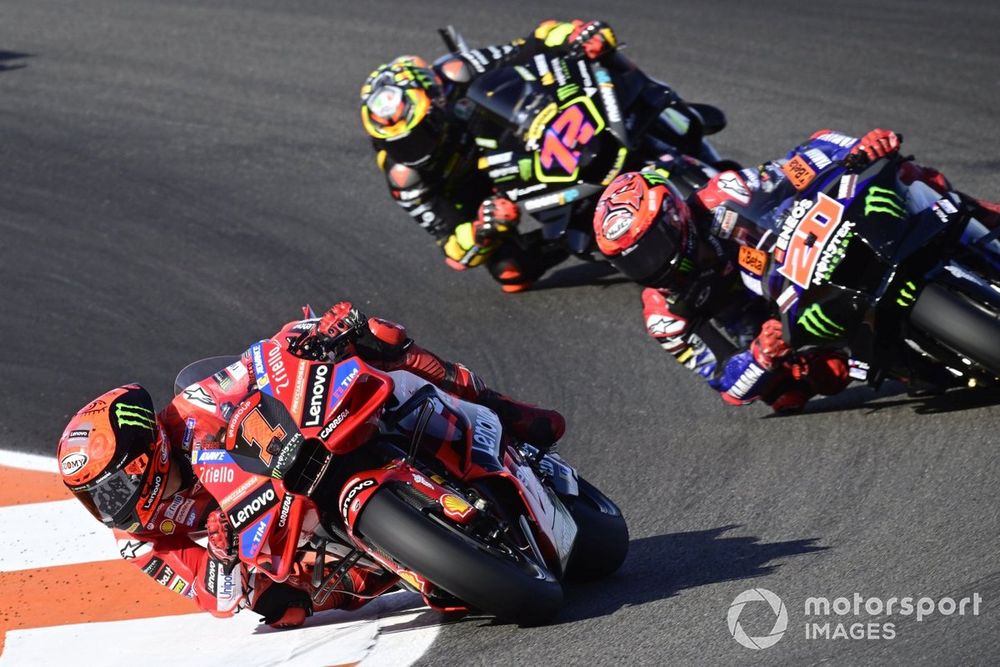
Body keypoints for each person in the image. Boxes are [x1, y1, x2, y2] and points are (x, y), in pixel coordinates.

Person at [56, 302, 565, 627]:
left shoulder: (189, 409)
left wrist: (314, 333)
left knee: (376, 339)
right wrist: (223, 554)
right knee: (281, 607)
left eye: (112, 486)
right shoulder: (140, 541)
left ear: (147, 451)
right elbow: (214, 597)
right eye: (95, 498)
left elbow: (258, 361)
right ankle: (415, 562)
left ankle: (503, 409)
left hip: (298, 454)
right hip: (280, 531)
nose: (110, 505)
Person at [592, 128, 1000, 413]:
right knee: (807, 385)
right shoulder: (664, 316)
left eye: (650, 247)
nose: (649, 266)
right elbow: (725, 381)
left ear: (673, 216)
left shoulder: (724, 194)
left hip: (798, 254)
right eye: (631, 261)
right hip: (774, 330)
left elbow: (794, 169)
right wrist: (759, 355)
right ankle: (909, 362)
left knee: (908, 177)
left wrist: (857, 151)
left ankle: (985, 222)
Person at [359, 19, 622, 293]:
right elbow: (451, 246)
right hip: (478, 194)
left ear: (436, 103)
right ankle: (573, 236)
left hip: (515, 143)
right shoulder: (404, 177)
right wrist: (482, 231)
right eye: (401, 144)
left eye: (419, 134)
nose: (414, 151)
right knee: (511, 272)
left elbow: (529, 45)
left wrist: (573, 34)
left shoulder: (454, 73)